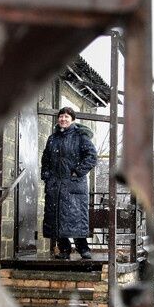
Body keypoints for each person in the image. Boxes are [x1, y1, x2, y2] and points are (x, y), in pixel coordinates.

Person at [41, 106, 98, 259]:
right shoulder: (52, 138)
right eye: (61, 116)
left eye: (67, 116)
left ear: (72, 119)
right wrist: (46, 175)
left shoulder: (80, 136)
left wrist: (77, 172)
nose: (63, 119)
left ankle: (83, 248)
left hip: (74, 184)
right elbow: (45, 158)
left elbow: (91, 156)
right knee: (57, 217)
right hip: (55, 184)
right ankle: (64, 250)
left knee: (75, 216)